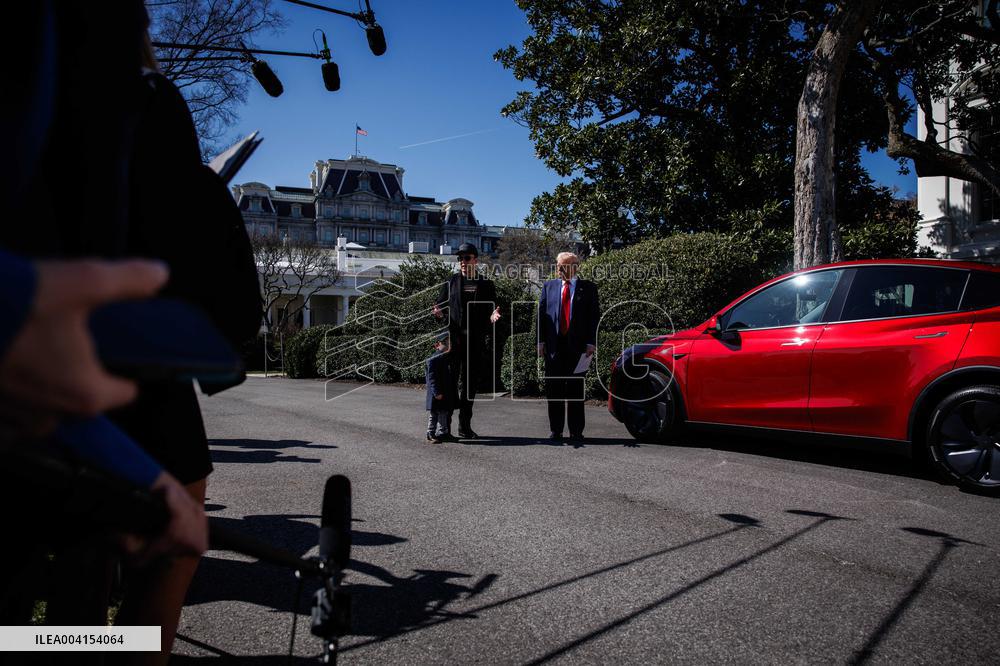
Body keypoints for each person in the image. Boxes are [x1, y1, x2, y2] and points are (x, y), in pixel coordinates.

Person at [434, 243, 501, 439]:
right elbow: (439, 305)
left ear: (475, 260)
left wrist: (494, 315)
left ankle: (465, 427)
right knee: (450, 382)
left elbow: (493, 307)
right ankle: (445, 428)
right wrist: (438, 313)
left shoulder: (485, 284)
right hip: (453, 341)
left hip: (475, 340)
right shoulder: (451, 281)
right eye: (460, 258)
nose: (462, 262)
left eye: (466, 258)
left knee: (469, 385)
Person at [537, 252, 600, 443]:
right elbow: (541, 316)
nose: (559, 270)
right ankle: (556, 431)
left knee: (575, 391)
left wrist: (591, 342)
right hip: (553, 348)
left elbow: (593, 317)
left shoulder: (588, 288)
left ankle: (576, 432)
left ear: (575, 267)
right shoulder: (549, 286)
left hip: (578, 348)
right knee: (554, 391)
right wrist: (540, 342)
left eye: (563, 266)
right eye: (558, 266)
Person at [425, 336, 456, 443]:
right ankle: (430, 433)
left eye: (449, 344)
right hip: (436, 393)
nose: (448, 346)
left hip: (443, 392)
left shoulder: (444, 358)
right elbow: (431, 378)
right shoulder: (433, 359)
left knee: (443, 413)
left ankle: (443, 433)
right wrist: (436, 392)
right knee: (434, 414)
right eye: (446, 344)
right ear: (438, 345)